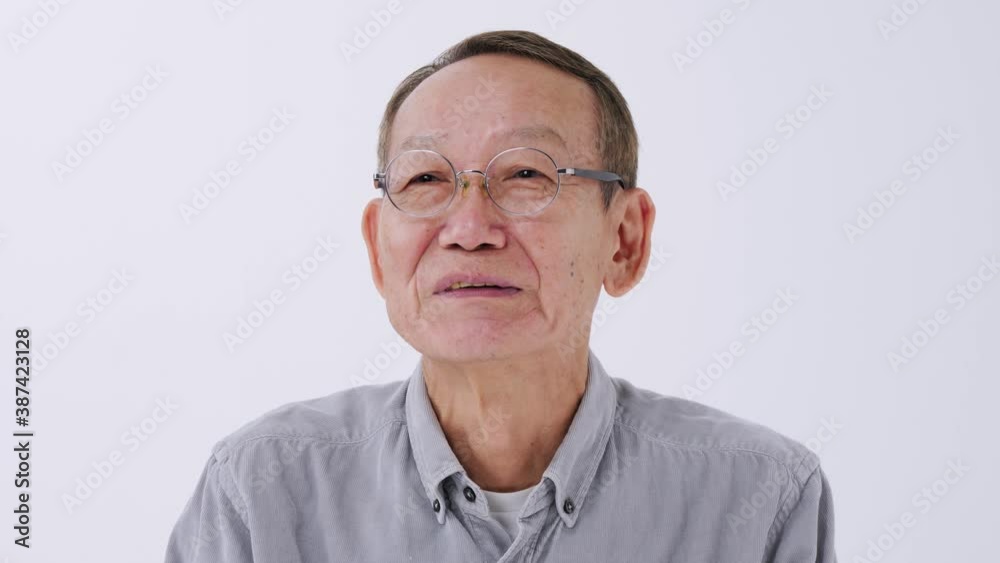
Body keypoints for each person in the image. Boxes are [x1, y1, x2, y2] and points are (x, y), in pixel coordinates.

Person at [165, 29, 836, 562]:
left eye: (526, 174)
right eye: (426, 179)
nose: (469, 229)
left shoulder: (760, 499)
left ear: (624, 239)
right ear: (377, 247)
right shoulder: (262, 493)